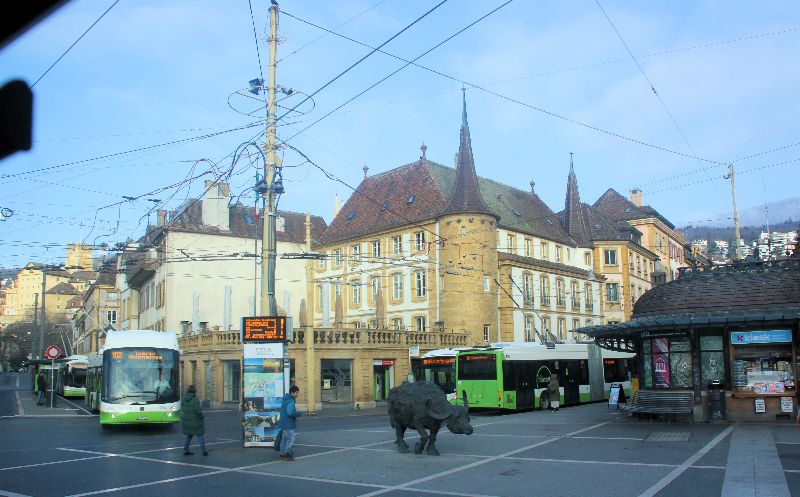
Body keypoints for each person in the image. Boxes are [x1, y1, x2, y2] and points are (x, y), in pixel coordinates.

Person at [181, 385, 207, 456]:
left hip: (187, 420)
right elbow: (197, 410)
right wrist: (202, 416)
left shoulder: (184, 398)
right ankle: (203, 450)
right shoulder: (195, 399)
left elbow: (183, 408)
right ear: (194, 391)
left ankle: (186, 450)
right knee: (200, 435)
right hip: (195, 420)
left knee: (189, 435)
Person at [277, 385, 302, 461]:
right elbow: (290, 412)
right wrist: (298, 414)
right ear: (292, 393)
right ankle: (286, 454)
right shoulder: (291, 400)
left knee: (284, 440)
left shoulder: (285, 399)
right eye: (297, 392)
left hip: (283, 423)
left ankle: (282, 453)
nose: (298, 394)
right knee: (290, 439)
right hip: (288, 423)